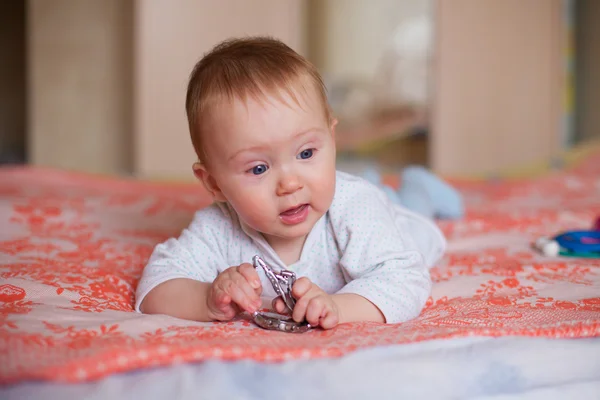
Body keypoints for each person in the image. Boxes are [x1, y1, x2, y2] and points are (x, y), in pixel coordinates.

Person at [135, 36, 462, 329]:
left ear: (332, 142)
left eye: (306, 153)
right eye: (259, 169)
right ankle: (383, 185)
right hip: (363, 197)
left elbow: (405, 280)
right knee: (374, 190)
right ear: (215, 184)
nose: (289, 184)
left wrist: (339, 307)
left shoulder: (354, 208)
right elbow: (156, 288)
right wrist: (206, 297)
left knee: (406, 208)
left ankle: (416, 187)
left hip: (396, 221)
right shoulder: (216, 228)